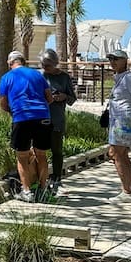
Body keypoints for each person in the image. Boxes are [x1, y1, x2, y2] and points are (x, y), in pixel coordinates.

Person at [0, 49, 53, 201]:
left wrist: (13, 112)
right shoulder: (37, 75)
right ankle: (43, 190)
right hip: (42, 117)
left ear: (10, 63)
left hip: (21, 117)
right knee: (41, 155)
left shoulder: (6, 78)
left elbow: (3, 104)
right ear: (23, 61)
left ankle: (26, 191)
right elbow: (49, 98)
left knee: (21, 156)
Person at [106, 49, 131, 200]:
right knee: (122, 154)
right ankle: (130, 188)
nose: (112, 62)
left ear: (125, 60)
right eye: (110, 59)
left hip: (124, 120)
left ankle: (126, 191)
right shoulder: (119, 78)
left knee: (115, 153)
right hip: (117, 120)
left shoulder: (129, 78)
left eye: (116, 59)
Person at [39, 48, 76, 196]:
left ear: (55, 64)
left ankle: (57, 178)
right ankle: (41, 179)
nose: (45, 68)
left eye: (47, 65)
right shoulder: (40, 76)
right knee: (39, 151)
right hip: (40, 118)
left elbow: (72, 99)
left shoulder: (64, 78)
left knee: (57, 150)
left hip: (57, 118)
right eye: (42, 64)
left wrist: (63, 97)